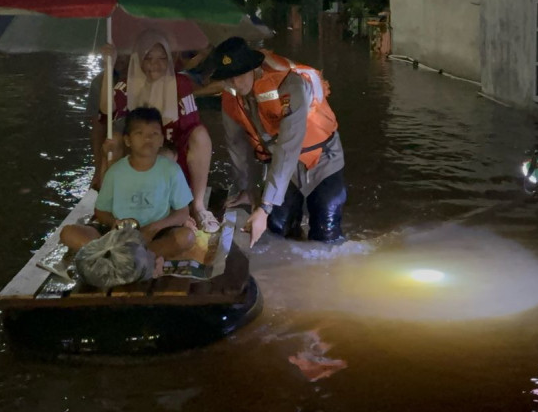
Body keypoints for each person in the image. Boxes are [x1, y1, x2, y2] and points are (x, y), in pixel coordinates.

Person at [212, 37, 346, 247]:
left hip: (322, 159)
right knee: (277, 230)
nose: (234, 84)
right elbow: (237, 147)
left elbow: (288, 146)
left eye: (238, 75)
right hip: (284, 168)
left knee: (325, 234)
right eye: (228, 78)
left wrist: (265, 206)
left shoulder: (290, 83)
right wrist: (248, 190)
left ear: (253, 68)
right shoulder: (231, 97)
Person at [99, 30, 219, 232]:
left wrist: (166, 147)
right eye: (149, 58)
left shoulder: (181, 84)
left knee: (200, 135)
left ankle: (197, 206)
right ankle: (111, 208)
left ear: (170, 59)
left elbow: (191, 126)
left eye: (162, 59)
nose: (155, 65)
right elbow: (106, 110)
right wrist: (108, 67)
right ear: (139, 59)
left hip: (172, 156)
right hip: (138, 154)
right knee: (114, 140)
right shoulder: (127, 84)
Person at [60, 107, 196, 268]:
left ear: (161, 140)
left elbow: (182, 212)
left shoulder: (171, 170)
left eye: (154, 134)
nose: (148, 139)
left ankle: (121, 258)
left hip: (155, 235)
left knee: (186, 237)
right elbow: (101, 211)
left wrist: (154, 228)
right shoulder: (116, 172)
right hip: (117, 235)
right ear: (127, 140)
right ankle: (135, 259)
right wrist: (115, 223)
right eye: (140, 134)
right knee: (68, 233)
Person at [88, 54, 129, 190]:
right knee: (112, 142)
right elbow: (98, 128)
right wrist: (98, 168)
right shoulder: (99, 83)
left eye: (124, 53)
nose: (119, 58)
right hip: (117, 138)